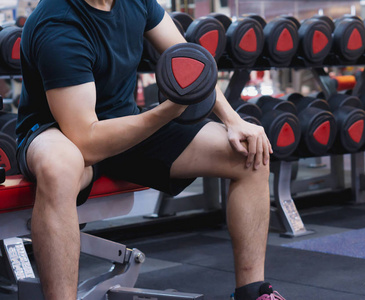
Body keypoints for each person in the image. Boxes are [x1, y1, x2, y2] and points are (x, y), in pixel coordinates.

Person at [16, 0, 286, 299]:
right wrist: (169, 111)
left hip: (127, 123)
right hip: (60, 131)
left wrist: (233, 120)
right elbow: (86, 140)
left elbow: (191, 61)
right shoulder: (58, 21)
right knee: (59, 167)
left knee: (248, 153)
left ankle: (253, 292)